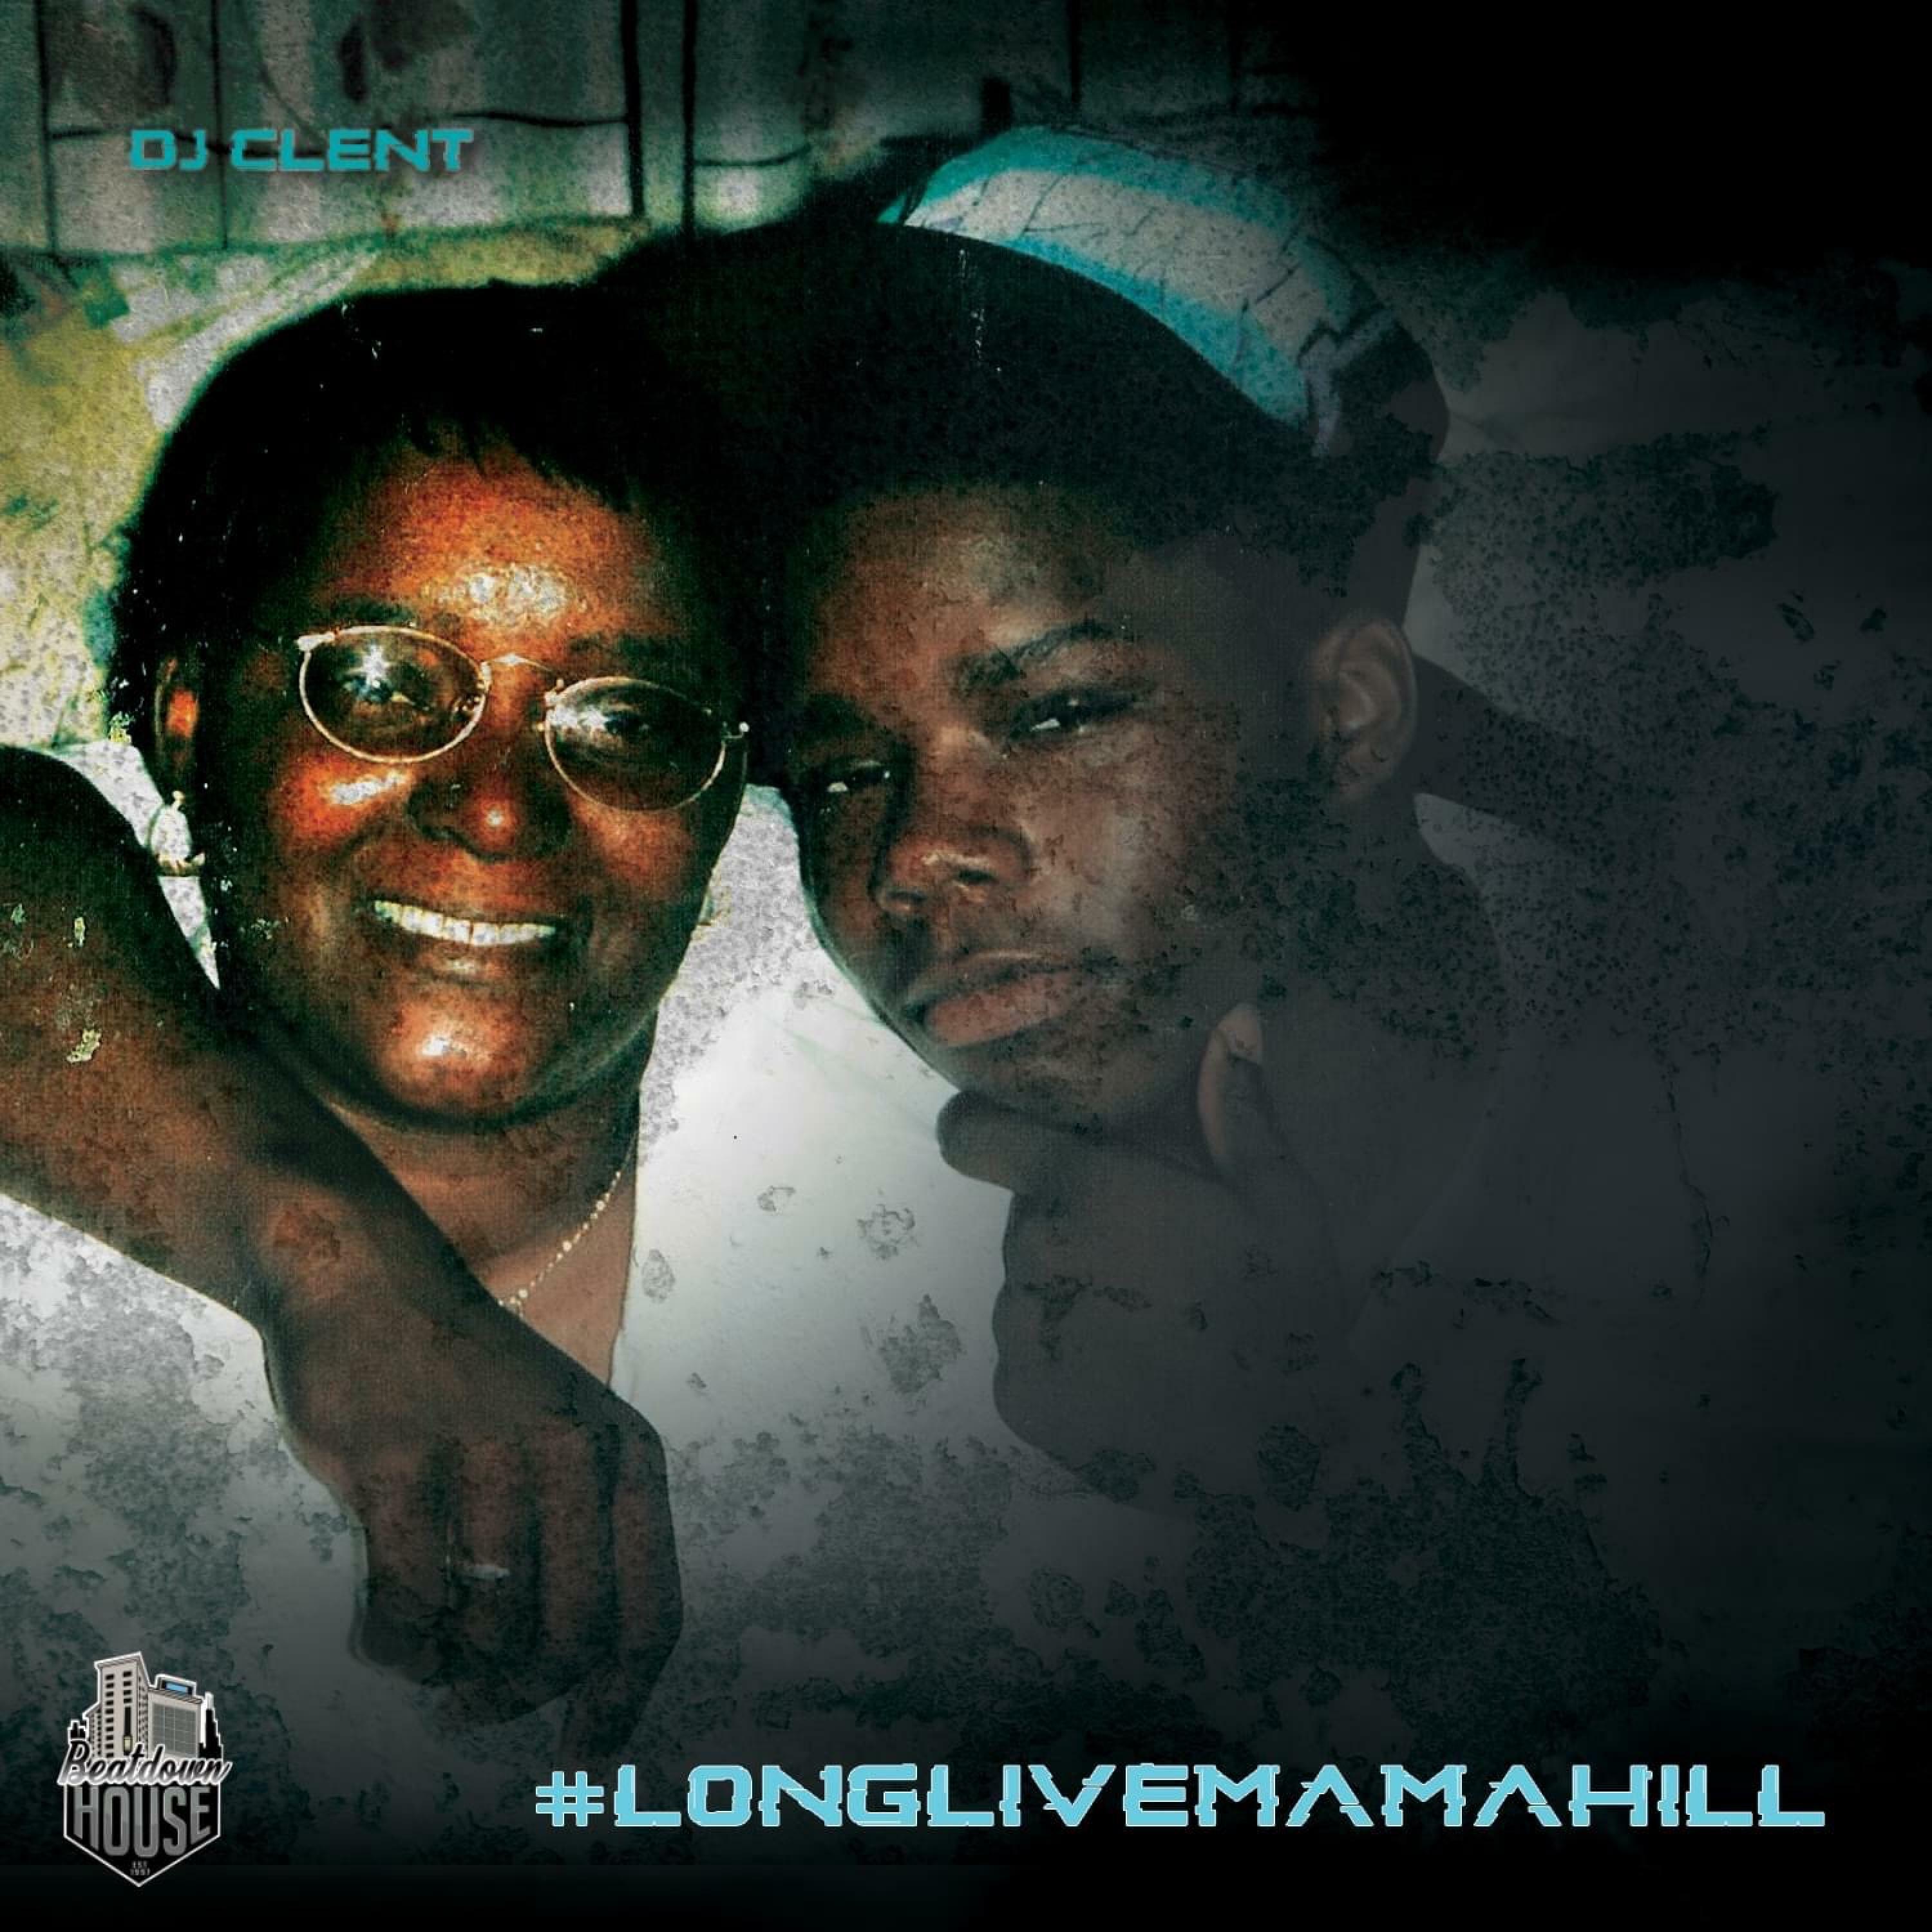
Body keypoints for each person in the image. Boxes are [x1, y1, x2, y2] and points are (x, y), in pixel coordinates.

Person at [740, 131, 1927, 1799]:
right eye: (841, 769)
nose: (915, 850)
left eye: (1060, 711)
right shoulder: (747, 1134)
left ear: (1356, 710)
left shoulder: (1771, 1183)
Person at [0, 278, 750, 1847]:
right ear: (187, 728)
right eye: (387, 685)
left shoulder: (899, 1042)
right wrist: (332, 1264)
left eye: (625, 720)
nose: (501, 808)